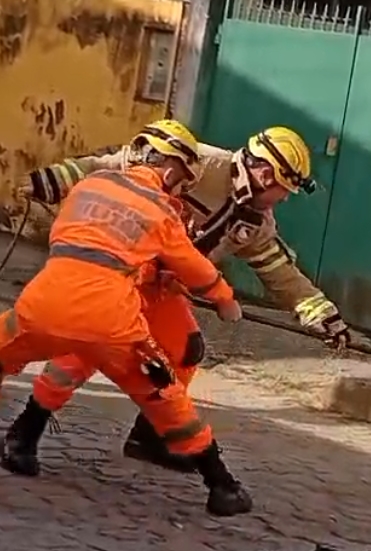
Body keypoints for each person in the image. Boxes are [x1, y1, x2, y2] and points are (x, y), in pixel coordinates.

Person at [5, 126, 351, 474]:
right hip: (120, 280)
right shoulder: (198, 162)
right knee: (81, 353)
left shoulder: (257, 224)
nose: (285, 198)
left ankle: (150, 437)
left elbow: (279, 271)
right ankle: (26, 431)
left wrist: (320, 312)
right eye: (284, 188)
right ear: (265, 173)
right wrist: (51, 181)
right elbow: (111, 166)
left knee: (185, 349)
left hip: (161, 291)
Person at [0, 119, 253, 516]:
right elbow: (194, 268)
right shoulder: (162, 210)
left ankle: (22, 440)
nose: (180, 189)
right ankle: (222, 486)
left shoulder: (87, 186)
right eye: (181, 181)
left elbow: (87, 237)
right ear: (170, 170)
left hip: (42, 301)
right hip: (113, 320)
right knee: (164, 392)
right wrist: (224, 298)